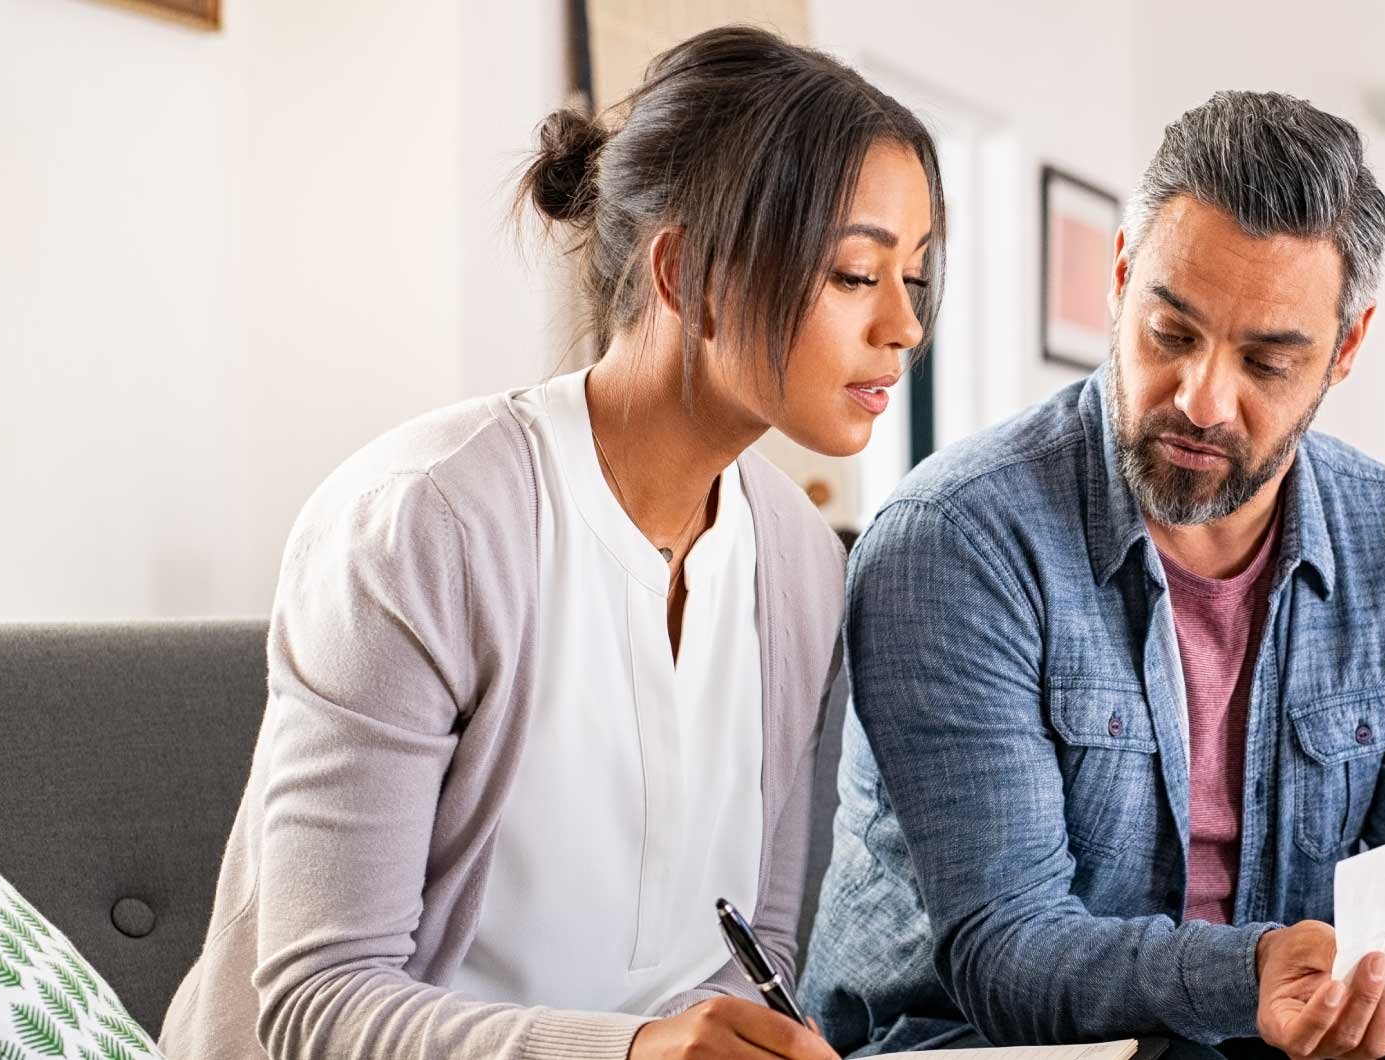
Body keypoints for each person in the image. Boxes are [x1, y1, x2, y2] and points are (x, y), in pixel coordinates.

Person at [802, 91, 1385, 1060]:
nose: (1202, 397)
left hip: (1276, 1026)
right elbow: (1008, 954)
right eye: (1170, 334)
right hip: (999, 1038)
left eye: (1265, 360)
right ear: (1121, 281)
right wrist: (1251, 973)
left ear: (1345, 347)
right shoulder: (955, 539)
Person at [163, 26, 941, 1060]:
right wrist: (633, 1052)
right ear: (685, 273)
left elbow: (755, 949)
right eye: (854, 274)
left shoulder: (799, 561)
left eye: (915, 280)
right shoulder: (424, 524)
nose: (904, 327)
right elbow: (318, 1004)